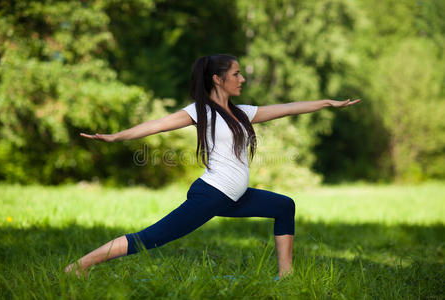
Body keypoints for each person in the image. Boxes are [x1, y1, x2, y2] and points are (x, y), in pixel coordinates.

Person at [65, 54, 360, 278]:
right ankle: (79, 266)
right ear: (218, 79)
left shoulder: (243, 113)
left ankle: (286, 276)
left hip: (233, 196)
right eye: (236, 73)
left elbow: (289, 108)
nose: (242, 79)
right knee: (150, 239)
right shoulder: (200, 111)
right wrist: (117, 136)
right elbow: (157, 125)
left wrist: (325, 103)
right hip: (212, 194)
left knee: (284, 206)